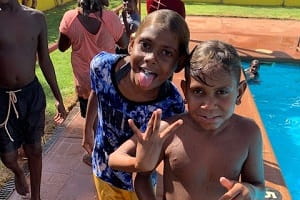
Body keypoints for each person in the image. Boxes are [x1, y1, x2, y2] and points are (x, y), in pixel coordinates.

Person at [108, 40, 266, 199]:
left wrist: (250, 192)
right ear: (185, 91)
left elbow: (258, 186)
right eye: (198, 91)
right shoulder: (170, 130)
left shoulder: (248, 133)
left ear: (239, 92)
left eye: (221, 92)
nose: (209, 105)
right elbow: (126, 166)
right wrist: (139, 164)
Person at [82, 9, 190, 199]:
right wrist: (87, 132)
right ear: (131, 44)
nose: (150, 58)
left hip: (138, 184)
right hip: (102, 167)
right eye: (146, 45)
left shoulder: (171, 104)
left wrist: (140, 165)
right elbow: (96, 93)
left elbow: (153, 162)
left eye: (166, 52)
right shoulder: (102, 67)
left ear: (178, 62)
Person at [0, 0, 67, 199]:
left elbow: (45, 59)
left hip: (31, 95)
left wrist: (58, 97)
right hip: (2, 100)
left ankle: (36, 196)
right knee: (8, 156)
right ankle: (19, 173)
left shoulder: (36, 18)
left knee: (35, 149)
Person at [58, 0, 128, 166]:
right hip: (107, 78)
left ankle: (97, 152)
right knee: (105, 114)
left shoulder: (70, 18)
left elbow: (62, 46)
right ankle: (105, 151)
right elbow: (124, 43)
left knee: (91, 116)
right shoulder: (110, 18)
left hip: (84, 79)